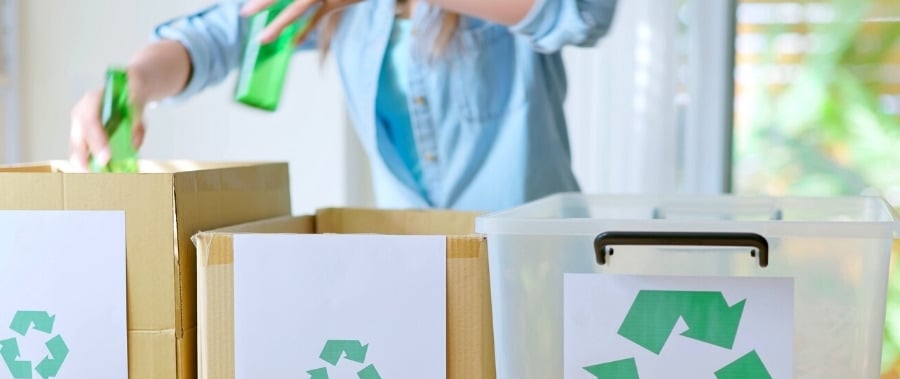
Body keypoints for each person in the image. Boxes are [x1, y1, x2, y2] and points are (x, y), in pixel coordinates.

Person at [69, 0, 618, 211]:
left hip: (531, 264)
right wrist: (136, 82)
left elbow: (581, 12)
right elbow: (214, 36)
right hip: (419, 273)